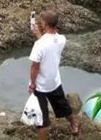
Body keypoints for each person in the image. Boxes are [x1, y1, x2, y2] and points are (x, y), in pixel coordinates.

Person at [29, 10, 79, 139]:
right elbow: (49, 44)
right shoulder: (61, 39)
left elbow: (35, 67)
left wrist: (32, 84)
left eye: (42, 21)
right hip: (54, 82)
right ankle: (74, 123)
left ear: (44, 23)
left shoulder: (39, 45)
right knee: (63, 106)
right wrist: (39, 35)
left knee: (42, 120)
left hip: (40, 86)